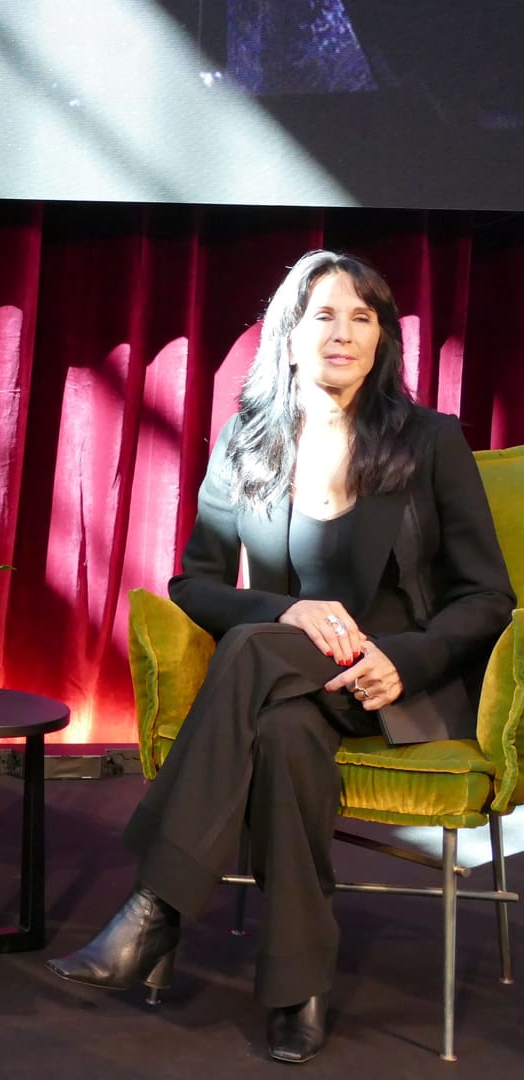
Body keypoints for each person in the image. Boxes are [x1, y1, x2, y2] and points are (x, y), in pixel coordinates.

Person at [47, 250, 513, 1063]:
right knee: (284, 730)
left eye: (362, 317)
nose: (343, 333)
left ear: (381, 342)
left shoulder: (431, 442)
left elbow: (488, 596)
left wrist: (406, 658)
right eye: (324, 315)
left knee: (257, 665)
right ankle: (299, 984)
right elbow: (192, 584)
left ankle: (156, 907)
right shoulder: (247, 443)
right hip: (286, 686)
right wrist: (286, 609)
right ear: (289, 336)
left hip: (396, 689)